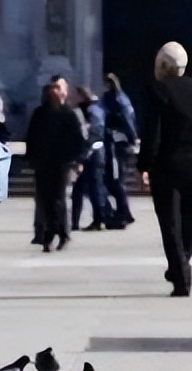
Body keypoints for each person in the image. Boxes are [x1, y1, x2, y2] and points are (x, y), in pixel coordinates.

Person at [137, 42, 192, 297]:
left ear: (163, 65)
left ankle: (181, 276)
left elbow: (153, 132)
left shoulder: (158, 89)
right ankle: (181, 264)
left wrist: (144, 165)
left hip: (168, 166)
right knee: (190, 222)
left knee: (170, 224)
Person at [25, 76, 84, 252]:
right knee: (45, 200)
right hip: (44, 163)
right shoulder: (40, 113)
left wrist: (75, 160)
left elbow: (77, 139)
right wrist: (32, 158)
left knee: (59, 200)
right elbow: (32, 137)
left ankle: (62, 233)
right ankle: (48, 235)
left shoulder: (68, 114)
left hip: (61, 163)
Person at [70, 86, 109, 231]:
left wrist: (80, 159)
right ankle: (75, 221)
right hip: (89, 154)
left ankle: (99, 219)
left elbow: (92, 136)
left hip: (93, 155)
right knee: (80, 190)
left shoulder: (92, 111)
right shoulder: (89, 110)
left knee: (95, 189)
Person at [102, 73, 137, 229]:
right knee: (114, 179)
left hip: (118, 143)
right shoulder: (118, 98)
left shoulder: (117, 100)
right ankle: (125, 211)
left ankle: (123, 212)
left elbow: (128, 120)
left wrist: (132, 138)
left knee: (116, 179)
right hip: (115, 141)